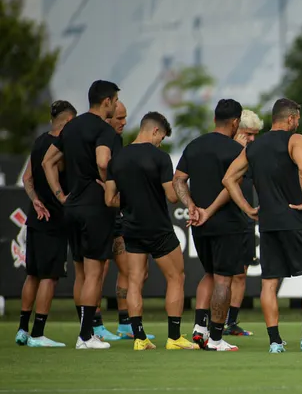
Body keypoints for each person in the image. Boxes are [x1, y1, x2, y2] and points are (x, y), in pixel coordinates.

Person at [222, 97, 302, 353]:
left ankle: (274, 341)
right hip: (293, 219)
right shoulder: (296, 139)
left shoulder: (254, 146)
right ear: (291, 119)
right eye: (298, 119)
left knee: (269, 282)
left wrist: (248, 208)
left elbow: (228, 178)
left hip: (268, 223)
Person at [103, 112, 195, 350]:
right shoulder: (160, 157)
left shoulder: (117, 159)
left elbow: (110, 199)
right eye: (161, 137)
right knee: (176, 277)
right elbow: (172, 197)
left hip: (131, 227)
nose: (160, 142)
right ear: (155, 131)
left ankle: (139, 338)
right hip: (158, 228)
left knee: (135, 281)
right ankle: (174, 338)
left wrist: (133, 195)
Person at [42, 79, 120, 350]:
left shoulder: (71, 126)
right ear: (107, 101)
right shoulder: (104, 130)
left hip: (72, 206)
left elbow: (47, 162)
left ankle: (85, 332)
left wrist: (60, 195)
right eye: (115, 100)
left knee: (81, 274)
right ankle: (86, 336)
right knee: (95, 274)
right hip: (94, 208)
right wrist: (107, 183)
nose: (116, 105)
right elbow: (102, 162)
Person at [173, 98, 248, 352]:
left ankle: (199, 328)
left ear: (215, 118)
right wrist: (208, 211)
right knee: (224, 280)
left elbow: (179, 181)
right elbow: (231, 186)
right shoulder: (236, 150)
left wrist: (192, 207)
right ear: (236, 122)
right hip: (226, 223)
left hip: (199, 225)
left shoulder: (194, 145)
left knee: (209, 274)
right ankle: (216, 339)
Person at [16, 101, 77, 347]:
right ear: (69, 121)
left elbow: (26, 178)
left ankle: (22, 330)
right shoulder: (61, 147)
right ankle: (38, 333)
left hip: (36, 216)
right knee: (49, 277)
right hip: (54, 219)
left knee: (32, 274)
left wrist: (35, 200)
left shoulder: (39, 141)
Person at [92, 100, 132, 341]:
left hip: (117, 214)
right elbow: (102, 165)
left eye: (125, 117)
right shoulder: (102, 137)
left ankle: (125, 322)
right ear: (107, 117)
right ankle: (95, 325)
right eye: (119, 118)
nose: (124, 122)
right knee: (99, 270)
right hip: (99, 213)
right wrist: (107, 185)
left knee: (129, 268)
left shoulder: (116, 139)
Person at [224, 108, 264, 337]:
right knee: (221, 273)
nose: (252, 139)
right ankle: (213, 321)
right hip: (225, 219)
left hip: (246, 220)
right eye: (248, 134)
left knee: (241, 272)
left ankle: (231, 322)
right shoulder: (226, 152)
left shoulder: (253, 154)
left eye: (254, 135)